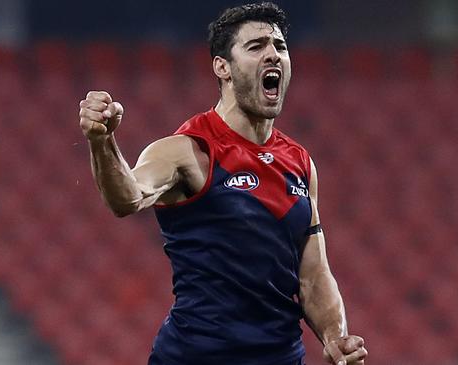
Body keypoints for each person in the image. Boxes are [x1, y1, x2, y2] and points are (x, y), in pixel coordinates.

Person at [78, 2, 367, 364]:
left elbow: (313, 274)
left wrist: (334, 336)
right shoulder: (187, 150)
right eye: (256, 46)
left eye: (280, 46)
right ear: (223, 68)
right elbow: (127, 198)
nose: (273, 55)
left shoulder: (299, 162)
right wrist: (102, 142)